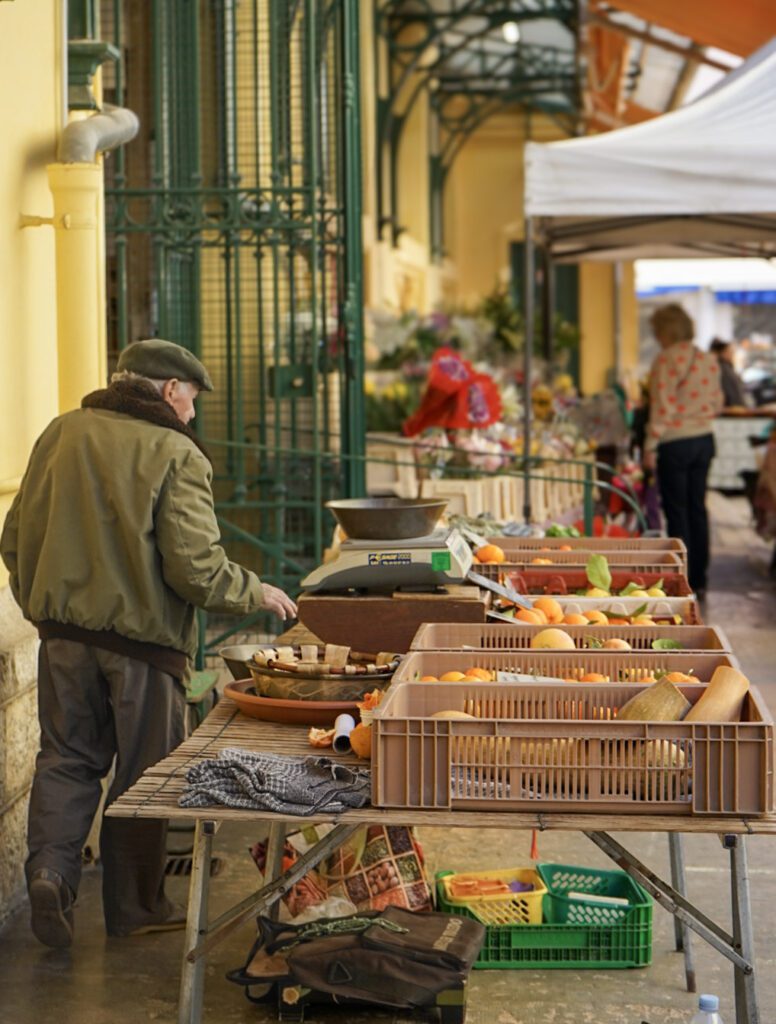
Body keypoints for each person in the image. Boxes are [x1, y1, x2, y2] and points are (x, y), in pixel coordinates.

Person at [0, 339, 297, 949]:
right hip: (142, 646)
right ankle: (136, 907)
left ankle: (50, 873)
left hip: (61, 638)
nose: (191, 414)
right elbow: (194, 567)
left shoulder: (60, 433)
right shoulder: (175, 451)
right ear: (168, 391)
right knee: (145, 778)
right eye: (190, 400)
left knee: (66, 759)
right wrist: (254, 591)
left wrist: (40, 608)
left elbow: (13, 537)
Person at [644, 305, 724, 596]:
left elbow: (661, 407)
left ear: (665, 330)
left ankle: (683, 577)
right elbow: (717, 404)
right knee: (698, 508)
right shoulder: (708, 360)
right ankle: (701, 578)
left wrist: (650, 446)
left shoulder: (666, 360)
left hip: (674, 442)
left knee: (676, 511)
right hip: (704, 440)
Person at [710, 338, 748, 408]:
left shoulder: (726, 367)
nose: (732, 354)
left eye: (732, 352)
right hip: (732, 409)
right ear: (721, 353)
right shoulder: (723, 369)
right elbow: (731, 393)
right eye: (729, 351)